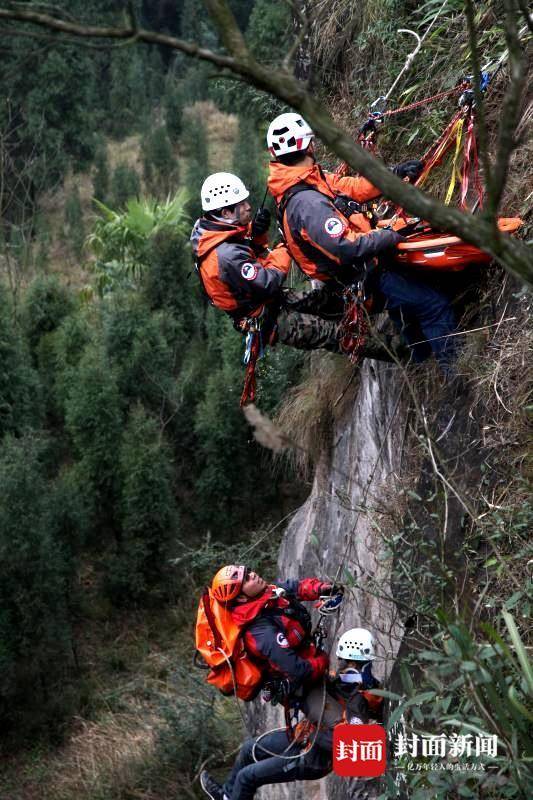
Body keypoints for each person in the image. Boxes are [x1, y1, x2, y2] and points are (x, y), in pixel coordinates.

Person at [266, 112, 458, 372]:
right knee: (433, 305)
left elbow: (350, 186)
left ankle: (423, 365)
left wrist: (394, 174)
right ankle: (456, 377)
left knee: (406, 310)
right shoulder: (306, 203)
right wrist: (386, 237)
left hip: (363, 270)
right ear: (309, 145)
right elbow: (346, 247)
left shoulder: (304, 181)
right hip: (364, 275)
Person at [190, 172, 405, 361]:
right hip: (270, 318)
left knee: (329, 302)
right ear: (226, 213)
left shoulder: (213, 233)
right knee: (338, 336)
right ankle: (408, 351)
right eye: (241, 205)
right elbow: (268, 281)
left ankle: (392, 315)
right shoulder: (225, 255)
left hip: (270, 303)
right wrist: (286, 247)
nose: (248, 206)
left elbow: (248, 260)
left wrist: (256, 236)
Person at [200, 627, 383, 800]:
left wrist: (314, 732)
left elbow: (345, 744)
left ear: (358, 663)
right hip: (302, 736)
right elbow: (315, 695)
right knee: (250, 749)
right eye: (343, 661)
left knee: (247, 777)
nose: (343, 665)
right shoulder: (340, 682)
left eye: (348, 662)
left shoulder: (360, 700)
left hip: (314, 758)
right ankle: (226, 796)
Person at [209, 565, 339, 697]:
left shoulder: (267, 594)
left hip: (308, 652)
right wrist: (324, 660)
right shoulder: (261, 633)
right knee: (338, 716)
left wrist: (320, 589)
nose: (253, 574)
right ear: (241, 598)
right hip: (300, 681)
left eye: (248, 571)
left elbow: (295, 588)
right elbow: (298, 670)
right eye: (247, 579)